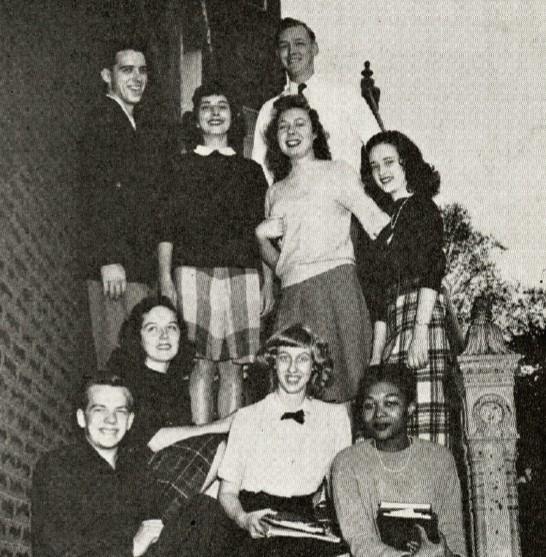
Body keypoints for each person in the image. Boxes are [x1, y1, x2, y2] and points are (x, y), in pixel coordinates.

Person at [255, 95, 389, 403]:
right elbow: (282, 263)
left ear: (315, 132)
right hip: (293, 297)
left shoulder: (338, 172)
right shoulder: (275, 192)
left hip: (336, 288)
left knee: (351, 389)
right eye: (283, 127)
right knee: (296, 395)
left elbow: (377, 223)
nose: (291, 131)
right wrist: (260, 239)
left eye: (300, 124)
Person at [158, 82, 270, 425]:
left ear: (233, 117)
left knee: (235, 368)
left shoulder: (250, 171)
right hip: (192, 273)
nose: (215, 113)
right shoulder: (179, 166)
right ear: (196, 119)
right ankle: (201, 441)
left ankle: (227, 447)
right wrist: (165, 277)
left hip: (244, 275)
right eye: (207, 107)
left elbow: (261, 231)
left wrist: (268, 282)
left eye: (222, 106)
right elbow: (167, 228)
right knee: (200, 364)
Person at [31, 372, 228, 557]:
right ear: (81, 418)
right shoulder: (58, 466)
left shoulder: (138, 473)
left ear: (130, 421)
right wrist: (131, 547)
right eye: (99, 410)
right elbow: (59, 547)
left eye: (120, 411)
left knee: (205, 510)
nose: (111, 419)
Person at [217, 324, 352, 557]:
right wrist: (243, 519)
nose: (292, 369)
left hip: (303, 525)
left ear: (314, 366)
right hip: (254, 523)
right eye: (284, 358)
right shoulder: (246, 418)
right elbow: (227, 493)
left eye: (302, 359)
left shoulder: (335, 418)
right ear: (273, 363)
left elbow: (341, 491)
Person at [80, 39, 174, 369]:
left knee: (138, 361)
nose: (137, 78)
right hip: (116, 268)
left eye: (142, 70)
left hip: (136, 267)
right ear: (107, 75)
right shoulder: (102, 120)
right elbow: (97, 190)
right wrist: (109, 257)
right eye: (126, 70)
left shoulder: (135, 126)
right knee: (119, 360)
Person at [107, 295, 233, 520]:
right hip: (136, 484)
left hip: (164, 478)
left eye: (171, 328)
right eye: (152, 329)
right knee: (219, 448)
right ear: (137, 337)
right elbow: (152, 438)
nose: (164, 336)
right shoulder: (131, 379)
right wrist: (220, 425)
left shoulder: (174, 383)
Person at [363, 130, 451, 445]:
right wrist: (375, 357)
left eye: (389, 162)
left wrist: (420, 333)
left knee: (423, 421)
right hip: (393, 321)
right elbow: (378, 293)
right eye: (374, 166)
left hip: (422, 317)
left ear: (406, 164)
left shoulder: (422, 208)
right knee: (391, 421)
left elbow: (431, 273)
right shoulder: (381, 221)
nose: (382, 172)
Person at [332, 364, 467, 557]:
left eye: (390, 403)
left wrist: (445, 553)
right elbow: (361, 542)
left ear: (410, 408)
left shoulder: (440, 459)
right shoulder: (347, 464)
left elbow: (454, 536)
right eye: (370, 405)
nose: (379, 413)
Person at [252, 17, 380, 183]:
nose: (291, 51)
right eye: (284, 46)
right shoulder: (268, 110)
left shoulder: (345, 96)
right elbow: (258, 173)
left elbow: (379, 147)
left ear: (314, 48)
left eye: (299, 43)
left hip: (342, 200)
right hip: (288, 203)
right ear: (278, 54)